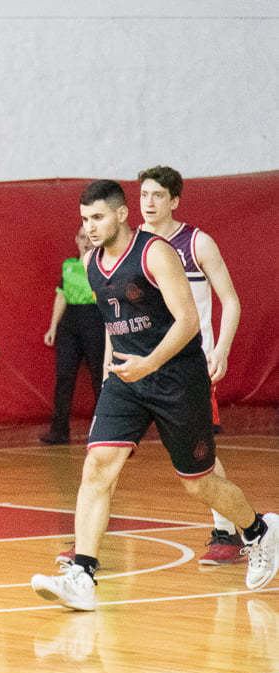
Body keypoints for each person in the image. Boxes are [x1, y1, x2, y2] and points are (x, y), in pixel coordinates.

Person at [31, 180, 279, 611]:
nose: (90, 227)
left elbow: (187, 322)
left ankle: (260, 532)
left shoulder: (155, 253)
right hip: (127, 380)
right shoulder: (90, 263)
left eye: (98, 217)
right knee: (96, 468)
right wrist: (118, 369)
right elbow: (116, 324)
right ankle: (82, 575)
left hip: (178, 379)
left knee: (199, 484)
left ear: (122, 214)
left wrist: (149, 363)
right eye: (85, 219)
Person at [138, 165, 243, 566]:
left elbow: (230, 300)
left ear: (174, 201)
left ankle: (227, 529)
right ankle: (87, 538)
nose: (148, 203)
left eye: (158, 196)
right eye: (143, 194)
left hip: (189, 365)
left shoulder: (197, 243)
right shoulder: (133, 245)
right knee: (106, 453)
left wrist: (222, 349)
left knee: (201, 451)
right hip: (143, 364)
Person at [39, 227, 105, 445]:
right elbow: (61, 297)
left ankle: (106, 429)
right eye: (82, 238)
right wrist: (52, 328)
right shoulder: (69, 265)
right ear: (76, 240)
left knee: (100, 376)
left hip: (95, 319)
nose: (86, 242)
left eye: (90, 239)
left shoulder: (103, 265)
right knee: (64, 376)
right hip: (70, 323)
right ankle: (59, 431)